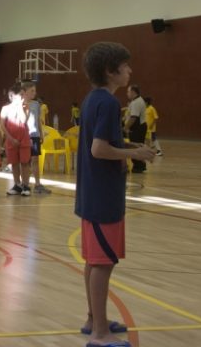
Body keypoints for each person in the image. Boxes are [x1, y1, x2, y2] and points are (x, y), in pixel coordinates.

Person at [75, 42, 155, 347]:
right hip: (103, 195)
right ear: (111, 71)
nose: (130, 70)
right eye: (125, 66)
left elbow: (103, 142)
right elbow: (99, 149)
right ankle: (99, 334)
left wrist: (131, 147)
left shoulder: (92, 99)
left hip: (92, 193)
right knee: (103, 263)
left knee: (93, 260)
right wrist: (135, 154)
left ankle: (93, 319)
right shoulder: (108, 103)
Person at [0, 82, 32, 196]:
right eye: (21, 95)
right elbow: (2, 125)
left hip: (24, 139)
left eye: (24, 94)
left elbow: (24, 120)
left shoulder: (25, 107)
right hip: (11, 140)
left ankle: (26, 185)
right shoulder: (5, 109)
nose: (23, 97)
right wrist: (11, 139)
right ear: (12, 96)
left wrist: (20, 107)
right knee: (14, 163)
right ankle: (17, 185)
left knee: (24, 163)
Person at [23, 80, 51, 194]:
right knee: (25, 161)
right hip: (24, 136)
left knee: (35, 159)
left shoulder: (36, 104)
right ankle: (24, 184)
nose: (34, 93)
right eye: (32, 91)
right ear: (25, 92)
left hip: (34, 135)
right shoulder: (20, 105)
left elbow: (38, 120)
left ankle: (38, 184)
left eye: (35, 91)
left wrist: (41, 133)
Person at [124, 84, 147, 173]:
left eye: (128, 91)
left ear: (133, 92)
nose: (127, 93)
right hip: (138, 127)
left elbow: (134, 117)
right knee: (137, 146)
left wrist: (125, 128)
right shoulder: (137, 101)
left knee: (135, 146)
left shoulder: (136, 102)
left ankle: (139, 166)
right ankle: (140, 165)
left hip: (137, 128)